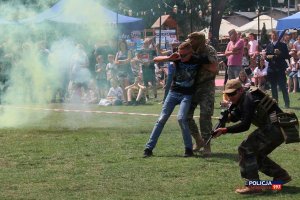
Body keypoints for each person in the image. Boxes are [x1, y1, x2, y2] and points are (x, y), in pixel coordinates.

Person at [213, 79, 292, 194]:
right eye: (227, 94)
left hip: (276, 128)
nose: (230, 97)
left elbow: (245, 125)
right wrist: (228, 117)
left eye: (232, 94)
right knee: (255, 155)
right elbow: (238, 115)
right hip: (277, 128)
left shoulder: (249, 98)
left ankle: (253, 186)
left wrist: (225, 130)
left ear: (240, 90)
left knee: (245, 148)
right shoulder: (244, 97)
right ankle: (280, 176)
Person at [143, 42, 211, 158]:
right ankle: (148, 148)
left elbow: (213, 61)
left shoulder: (197, 59)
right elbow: (155, 59)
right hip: (173, 92)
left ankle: (188, 149)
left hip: (187, 95)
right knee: (161, 119)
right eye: (180, 54)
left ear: (191, 53)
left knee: (181, 118)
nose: (182, 57)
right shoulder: (176, 57)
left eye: (184, 55)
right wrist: (169, 58)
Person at [185, 32, 218, 156]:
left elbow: (214, 69)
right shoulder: (189, 49)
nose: (189, 42)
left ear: (199, 40)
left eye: (192, 40)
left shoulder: (209, 50)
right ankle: (199, 140)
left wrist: (198, 61)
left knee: (205, 116)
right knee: (186, 116)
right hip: (192, 87)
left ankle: (207, 145)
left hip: (206, 86)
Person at [265, 30, 290, 108]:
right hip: (271, 69)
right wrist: (267, 57)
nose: (274, 36)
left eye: (276, 35)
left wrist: (280, 53)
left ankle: (287, 103)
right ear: (271, 36)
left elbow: (287, 56)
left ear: (278, 36)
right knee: (273, 87)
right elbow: (267, 57)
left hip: (280, 68)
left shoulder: (283, 45)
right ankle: (275, 103)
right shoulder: (269, 45)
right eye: (273, 35)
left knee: (282, 86)